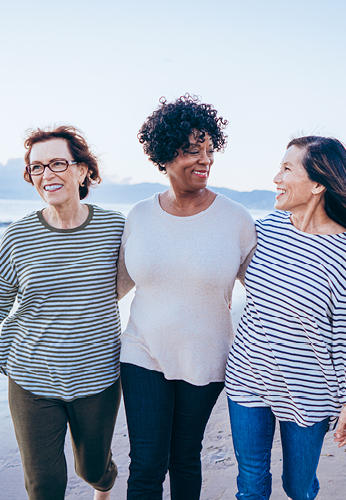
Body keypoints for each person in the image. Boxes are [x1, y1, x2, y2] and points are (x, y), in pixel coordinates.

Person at [0, 126, 124, 500]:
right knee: (44, 486)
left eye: (57, 163)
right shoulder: (18, 236)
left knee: (93, 469)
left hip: (97, 375)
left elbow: (147, 276)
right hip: (31, 376)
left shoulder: (116, 227)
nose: (47, 175)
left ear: (84, 171)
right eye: (36, 168)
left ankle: (102, 486)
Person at [225, 136, 346, 500]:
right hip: (247, 378)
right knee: (251, 485)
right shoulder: (264, 230)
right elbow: (220, 271)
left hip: (308, 390)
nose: (276, 177)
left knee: (298, 487)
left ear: (317, 184)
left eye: (287, 169)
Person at [116, 94, 256, 499]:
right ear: (164, 156)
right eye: (192, 151)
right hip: (142, 351)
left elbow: (265, 294)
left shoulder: (235, 219)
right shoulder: (139, 216)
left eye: (209, 150)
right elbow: (115, 287)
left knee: (184, 456)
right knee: (145, 462)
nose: (205, 160)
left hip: (206, 356)